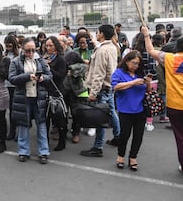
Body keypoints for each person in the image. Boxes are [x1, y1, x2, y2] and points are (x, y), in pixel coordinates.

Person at [141, 26, 183, 175]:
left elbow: (150, 51)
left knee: (180, 137)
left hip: (175, 105)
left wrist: (146, 35)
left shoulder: (170, 59)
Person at [9, 38, 52, 163]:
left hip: (39, 97)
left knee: (42, 124)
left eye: (33, 50)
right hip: (24, 97)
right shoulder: (16, 62)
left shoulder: (40, 60)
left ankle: (43, 152)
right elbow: (11, 78)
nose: (31, 53)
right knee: (23, 124)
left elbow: (50, 75)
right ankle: (23, 151)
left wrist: (43, 78)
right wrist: (27, 77)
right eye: (28, 50)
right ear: (22, 49)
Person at [80, 24, 121, 157]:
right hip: (109, 86)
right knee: (111, 113)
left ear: (102, 34)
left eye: (97, 32)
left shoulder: (102, 50)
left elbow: (99, 73)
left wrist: (93, 93)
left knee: (100, 117)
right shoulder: (112, 47)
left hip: (101, 88)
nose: (96, 34)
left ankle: (98, 146)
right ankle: (119, 136)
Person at [112, 51, 150, 171]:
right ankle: (121, 156)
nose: (136, 66)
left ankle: (133, 157)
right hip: (126, 109)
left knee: (138, 135)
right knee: (124, 135)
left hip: (140, 109)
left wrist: (147, 83)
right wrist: (133, 82)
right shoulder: (119, 73)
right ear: (127, 61)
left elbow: (146, 90)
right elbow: (116, 87)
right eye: (134, 63)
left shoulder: (140, 73)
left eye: (138, 64)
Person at [43, 36, 68, 150]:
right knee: (46, 119)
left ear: (56, 46)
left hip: (57, 92)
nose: (48, 48)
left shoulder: (60, 59)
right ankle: (45, 142)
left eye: (51, 45)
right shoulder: (44, 58)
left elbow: (61, 76)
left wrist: (49, 69)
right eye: (47, 45)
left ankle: (62, 142)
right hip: (45, 91)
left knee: (59, 119)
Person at [63, 51, 89, 144]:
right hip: (70, 92)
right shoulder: (82, 67)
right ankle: (72, 133)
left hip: (76, 93)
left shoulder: (80, 68)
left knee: (75, 114)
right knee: (69, 114)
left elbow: (78, 70)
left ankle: (75, 133)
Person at [3, 35, 20, 140]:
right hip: (7, 84)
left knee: (18, 109)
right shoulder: (5, 55)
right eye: (7, 46)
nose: (8, 47)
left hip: (16, 84)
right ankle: (12, 131)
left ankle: (18, 131)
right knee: (11, 109)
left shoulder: (19, 55)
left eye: (10, 46)